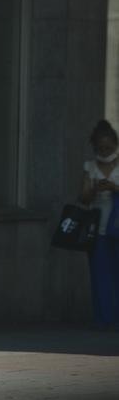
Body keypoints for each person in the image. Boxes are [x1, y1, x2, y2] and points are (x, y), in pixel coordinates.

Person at [80, 119, 119, 329]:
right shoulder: (90, 167)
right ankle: (105, 317)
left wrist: (114, 187)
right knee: (101, 275)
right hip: (99, 229)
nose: (105, 151)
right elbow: (83, 198)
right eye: (101, 148)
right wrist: (95, 189)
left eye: (109, 147)